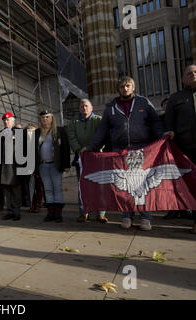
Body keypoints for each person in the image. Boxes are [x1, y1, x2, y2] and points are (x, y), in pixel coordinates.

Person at [83, 76, 164, 231]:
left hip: (142, 150)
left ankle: (146, 217)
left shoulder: (143, 103)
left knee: (142, 185)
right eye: (122, 87)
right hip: (120, 151)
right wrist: (92, 146)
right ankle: (127, 216)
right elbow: (103, 130)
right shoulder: (111, 107)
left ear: (133, 88)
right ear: (118, 89)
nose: (125, 89)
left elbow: (155, 122)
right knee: (125, 186)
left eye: (128, 86)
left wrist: (162, 137)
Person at [164, 64, 196, 234]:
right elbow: (169, 123)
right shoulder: (176, 98)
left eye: (195, 72)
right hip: (185, 149)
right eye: (189, 73)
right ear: (183, 78)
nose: (193, 75)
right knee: (191, 184)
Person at [66, 99, 108, 223]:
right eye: (82, 106)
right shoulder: (73, 123)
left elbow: (102, 136)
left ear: (91, 108)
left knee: (99, 186)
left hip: (97, 157)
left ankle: (101, 213)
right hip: (81, 158)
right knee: (82, 186)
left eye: (86, 106)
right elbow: (72, 137)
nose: (84, 108)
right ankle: (84, 212)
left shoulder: (99, 120)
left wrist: (91, 148)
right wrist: (79, 150)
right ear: (79, 109)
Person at [34, 110, 71, 222]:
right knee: (47, 189)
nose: (45, 119)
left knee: (57, 189)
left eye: (47, 117)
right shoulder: (37, 132)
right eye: (42, 118)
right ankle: (50, 213)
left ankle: (58, 214)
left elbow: (65, 148)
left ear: (52, 118)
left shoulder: (59, 130)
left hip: (55, 165)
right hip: (43, 165)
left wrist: (66, 164)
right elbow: (33, 150)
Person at [0, 112, 27, 221]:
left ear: (13, 120)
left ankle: (17, 212)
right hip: (4, 166)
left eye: (8, 120)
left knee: (16, 190)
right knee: (7, 190)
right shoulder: (1, 133)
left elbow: (25, 148)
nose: (6, 122)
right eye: (5, 120)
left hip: (16, 166)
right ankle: (9, 211)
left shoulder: (19, 132)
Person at [26, 124, 44, 213]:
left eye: (33, 131)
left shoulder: (39, 143)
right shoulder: (25, 143)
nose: (31, 133)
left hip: (38, 168)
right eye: (29, 131)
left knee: (39, 187)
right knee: (31, 187)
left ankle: (38, 204)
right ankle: (32, 205)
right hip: (29, 169)